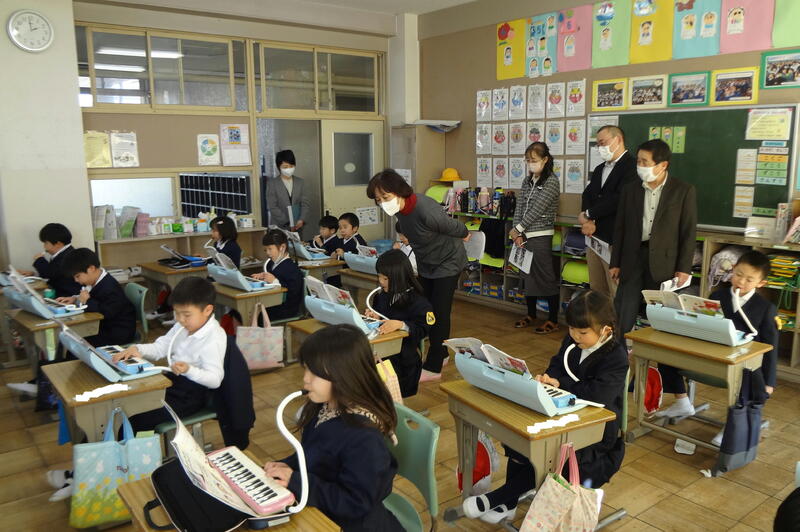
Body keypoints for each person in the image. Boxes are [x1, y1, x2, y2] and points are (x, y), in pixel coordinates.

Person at [461, 291, 627, 524]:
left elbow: (599, 394)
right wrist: (548, 378)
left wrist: (561, 384)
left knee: (551, 456)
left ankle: (499, 498)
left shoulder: (616, 356)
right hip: (563, 414)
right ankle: (508, 504)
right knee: (522, 439)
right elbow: (557, 364)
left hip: (597, 431)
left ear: (605, 330)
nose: (574, 336)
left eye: (582, 332)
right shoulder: (573, 341)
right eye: (571, 329)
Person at [264, 324, 403, 531]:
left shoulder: (365, 439)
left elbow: (355, 503)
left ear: (344, 375)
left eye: (315, 373)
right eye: (306, 369)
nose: (305, 379)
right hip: (324, 509)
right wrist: (285, 467)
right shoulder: (323, 407)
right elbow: (314, 455)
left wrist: (296, 481)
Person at [656, 251, 779, 438]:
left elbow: (771, 347)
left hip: (743, 365)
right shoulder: (718, 296)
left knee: (750, 381)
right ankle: (682, 402)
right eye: (738, 274)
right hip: (712, 356)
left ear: (761, 283)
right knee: (667, 354)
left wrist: (769, 382)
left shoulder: (765, 308)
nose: (741, 282)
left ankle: (733, 426)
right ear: (732, 270)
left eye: (749, 280)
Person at [367, 169, 470, 383]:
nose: (383, 203)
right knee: (425, 308)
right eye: (378, 200)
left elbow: (455, 226)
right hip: (427, 262)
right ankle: (441, 352)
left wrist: (465, 234)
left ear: (399, 191)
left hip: (448, 262)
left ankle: (434, 365)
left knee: (439, 313)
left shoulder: (425, 209)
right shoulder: (399, 210)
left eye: (385, 197)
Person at [113, 277, 226, 433]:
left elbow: (215, 380)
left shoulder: (213, 338)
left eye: (186, 315)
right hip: (172, 382)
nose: (180, 319)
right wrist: (138, 349)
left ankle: (133, 446)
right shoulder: (183, 325)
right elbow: (161, 347)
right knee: (127, 404)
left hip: (190, 395)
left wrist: (189, 370)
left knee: (135, 418)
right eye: (176, 313)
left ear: (207, 310)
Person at [610, 139, 697, 335]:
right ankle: (618, 349)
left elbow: (688, 232)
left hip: (664, 263)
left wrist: (684, 268)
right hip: (632, 258)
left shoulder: (683, 191)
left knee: (660, 316)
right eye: (638, 161)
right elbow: (620, 228)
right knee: (623, 312)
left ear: (663, 165)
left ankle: (657, 353)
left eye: (645, 162)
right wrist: (615, 262)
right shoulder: (630, 189)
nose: (640, 166)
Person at [579, 125, 637, 299]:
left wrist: (589, 214)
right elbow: (588, 194)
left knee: (615, 290)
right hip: (594, 238)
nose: (600, 148)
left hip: (615, 240)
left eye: (603, 143)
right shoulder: (599, 169)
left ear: (617, 140)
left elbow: (618, 199)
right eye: (598, 144)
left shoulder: (632, 166)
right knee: (597, 289)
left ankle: (615, 319)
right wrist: (588, 220)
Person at [509, 142, 561, 335]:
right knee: (527, 276)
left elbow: (537, 209)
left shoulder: (551, 182)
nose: (530, 163)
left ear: (545, 159)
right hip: (523, 235)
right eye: (528, 160)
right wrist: (517, 232)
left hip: (540, 236)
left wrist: (518, 229)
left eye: (534, 160)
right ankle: (531, 314)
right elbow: (520, 207)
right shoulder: (527, 180)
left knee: (545, 277)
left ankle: (553, 319)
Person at [366, 249, 434, 397]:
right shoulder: (382, 296)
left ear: (399, 277)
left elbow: (423, 329)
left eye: (385, 278)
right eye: (379, 276)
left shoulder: (418, 302)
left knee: (389, 393)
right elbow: (382, 317)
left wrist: (402, 325)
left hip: (403, 361)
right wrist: (375, 317)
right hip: (382, 354)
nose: (381, 282)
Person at [59, 248, 136, 347]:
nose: (76, 280)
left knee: (75, 341)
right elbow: (95, 297)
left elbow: (107, 312)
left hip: (117, 332)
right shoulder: (95, 281)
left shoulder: (110, 287)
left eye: (78, 276)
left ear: (91, 268)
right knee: (70, 337)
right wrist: (75, 298)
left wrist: (87, 300)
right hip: (106, 327)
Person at [252, 229, 303, 321]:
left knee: (254, 313)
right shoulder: (272, 263)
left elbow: (293, 293)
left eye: (270, 249)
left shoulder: (291, 268)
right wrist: (263, 276)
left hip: (286, 309)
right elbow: (273, 277)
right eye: (265, 250)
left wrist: (275, 281)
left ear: (282, 247)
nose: (267, 253)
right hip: (274, 303)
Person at [19, 223, 81, 297]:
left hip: (67, 296)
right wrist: (33, 274)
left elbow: (49, 275)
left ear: (58, 243)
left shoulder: (68, 256)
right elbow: (55, 273)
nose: (44, 246)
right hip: (59, 293)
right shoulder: (63, 253)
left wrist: (39, 260)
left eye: (46, 243)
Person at [265, 150, 310, 234]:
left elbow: (305, 204)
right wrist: (288, 223)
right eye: (285, 167)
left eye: (291, 166)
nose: (289, 169)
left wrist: (301, 219)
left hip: (297, 227)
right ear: (279, 167)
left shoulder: (300, 182)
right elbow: (272, 207)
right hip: (279, 227)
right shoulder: (272, 184)